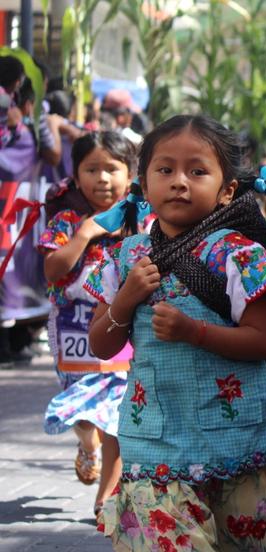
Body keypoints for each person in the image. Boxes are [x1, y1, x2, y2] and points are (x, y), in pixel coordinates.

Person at [85, 115, 266, 551]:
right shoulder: (123, 258)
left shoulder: (239, 255)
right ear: (143, 182)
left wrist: (194, 331)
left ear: (227, 190)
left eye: (197, 171)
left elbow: (260, 341)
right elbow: (101, 343)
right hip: (154, 443)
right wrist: (126, 298)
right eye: (165, 170)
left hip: (236, 441)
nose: (179, 182)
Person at [37, 131, 137, 516]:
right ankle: (86, 443)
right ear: (76, 177)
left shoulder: (141, 220)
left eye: (112, 168)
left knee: (114, 414)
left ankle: (105, 500)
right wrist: (85, 232)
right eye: (91, 169)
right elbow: (51, 270)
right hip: (73, 333)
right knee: (82, 413)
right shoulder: (66, 220)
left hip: (119, 332)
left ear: (129, 175)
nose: (102, 178)